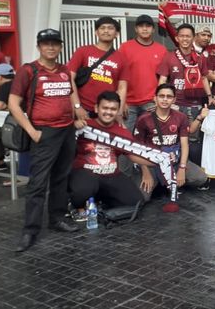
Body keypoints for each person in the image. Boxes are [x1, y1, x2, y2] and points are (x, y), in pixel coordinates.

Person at [10, 29, 87, 252]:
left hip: (66, 131)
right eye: (46, 44)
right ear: (39, 47)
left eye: (55, 44)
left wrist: (77, 109)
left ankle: (57, 218)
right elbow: (13, 104)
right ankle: (30, 230)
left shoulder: (64, 70)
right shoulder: (29, 70)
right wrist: (32, 131)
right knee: (38, 182)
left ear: (61, 47)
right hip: (43, 132)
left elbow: (71, 92)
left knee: (61, 178)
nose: (51, 47)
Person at [69, 91, 149, 220]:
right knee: (83, 189)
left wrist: (155, 162)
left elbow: (133, 154)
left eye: (113, 109)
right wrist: (73, 127)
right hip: (86, 174)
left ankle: (100, 203)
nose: (108, 112)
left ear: (118, 111)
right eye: (105, 108)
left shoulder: (122, 132)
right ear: (96, 108)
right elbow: (63, 141)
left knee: (136, 202)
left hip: (111, 175)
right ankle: (76, 204)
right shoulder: (85, 126)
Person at [134, 84, 207, 201]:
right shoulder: (144, 119)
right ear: (155, 98)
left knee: (200, 178)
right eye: (161, 96)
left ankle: (169, 182)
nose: (165, 99)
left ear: (174, 100)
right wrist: (145, 171)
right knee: (142, 197)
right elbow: (138, 148)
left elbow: (184, 144)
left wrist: (182, 168)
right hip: (152, 165)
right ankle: (161, 183)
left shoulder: (181, 117)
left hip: (174, 162)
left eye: (169, 96)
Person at [157, 23, 212, 141]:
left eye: (188, 36)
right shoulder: (169, 56)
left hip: (195, 104)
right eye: (182, 36)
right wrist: (159, 98)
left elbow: (204, 78)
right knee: (174, 136)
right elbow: (163, 79)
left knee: (193, 138)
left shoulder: (200, 57)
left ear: (193, 38)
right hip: (175, 104)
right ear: (177, 38)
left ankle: (189, 159)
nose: (185, 39)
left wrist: (209, 96)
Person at [66, 16, 128, 118]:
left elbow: (122, 87)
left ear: (116, 34)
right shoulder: (83, 51)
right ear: (96, 32)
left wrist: (119, 112)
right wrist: (77, 106)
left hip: (106, 111)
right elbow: (69, 78)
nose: (106, 31)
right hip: (83, 108)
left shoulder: (122, 58)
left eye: (110, 28)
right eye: (102, 28)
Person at [119, 14, 167, 133]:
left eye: (148, 26)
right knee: (125, 138)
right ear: (136, 29)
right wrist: (121, 101)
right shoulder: (125, 47)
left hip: (151, 102)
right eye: (141, 26)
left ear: (153, 29)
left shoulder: (161, 50)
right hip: (128, 103)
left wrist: (158, 100)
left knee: (151, 138)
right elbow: (119, 75)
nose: (145, 29)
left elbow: (164, 78)